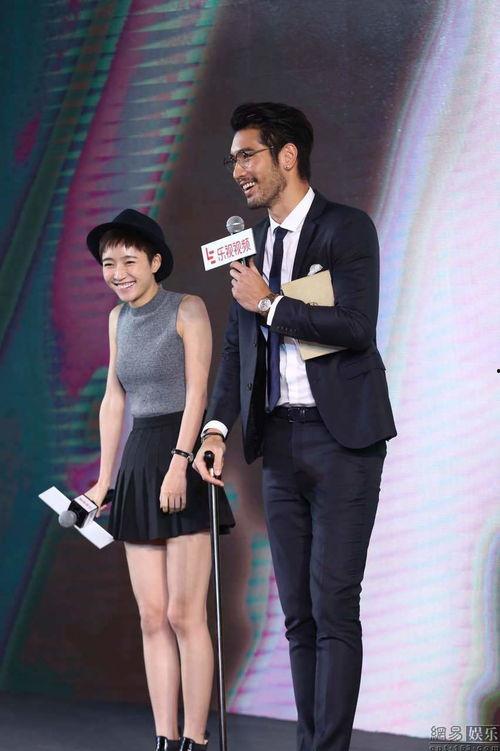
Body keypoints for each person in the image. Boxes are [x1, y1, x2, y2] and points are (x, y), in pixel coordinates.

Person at [194, 102, 396, 751]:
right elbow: (237, 347)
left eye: (247, 155)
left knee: (334, 604)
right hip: (279, 443)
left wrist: (272, 304)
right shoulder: (249, 245)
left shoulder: (345, 228)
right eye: (232, 160)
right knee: (298, 615)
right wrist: (216, 428)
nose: (237, 170)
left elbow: (356, 326)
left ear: (287, 156)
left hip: (343, 441)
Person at [85, 209, 234, 751]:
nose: (118, 273)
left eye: (129, 261)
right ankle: (165, 739)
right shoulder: (116, 319)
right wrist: (103, 482)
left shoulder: (187, 308)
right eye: (108, 263)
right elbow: (114, 400)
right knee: (152, 616)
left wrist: (180, 460)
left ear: (154, 261)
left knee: (183, 614)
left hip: (183, 455)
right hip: (139, 456)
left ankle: (195, 738)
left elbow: (199, 392)